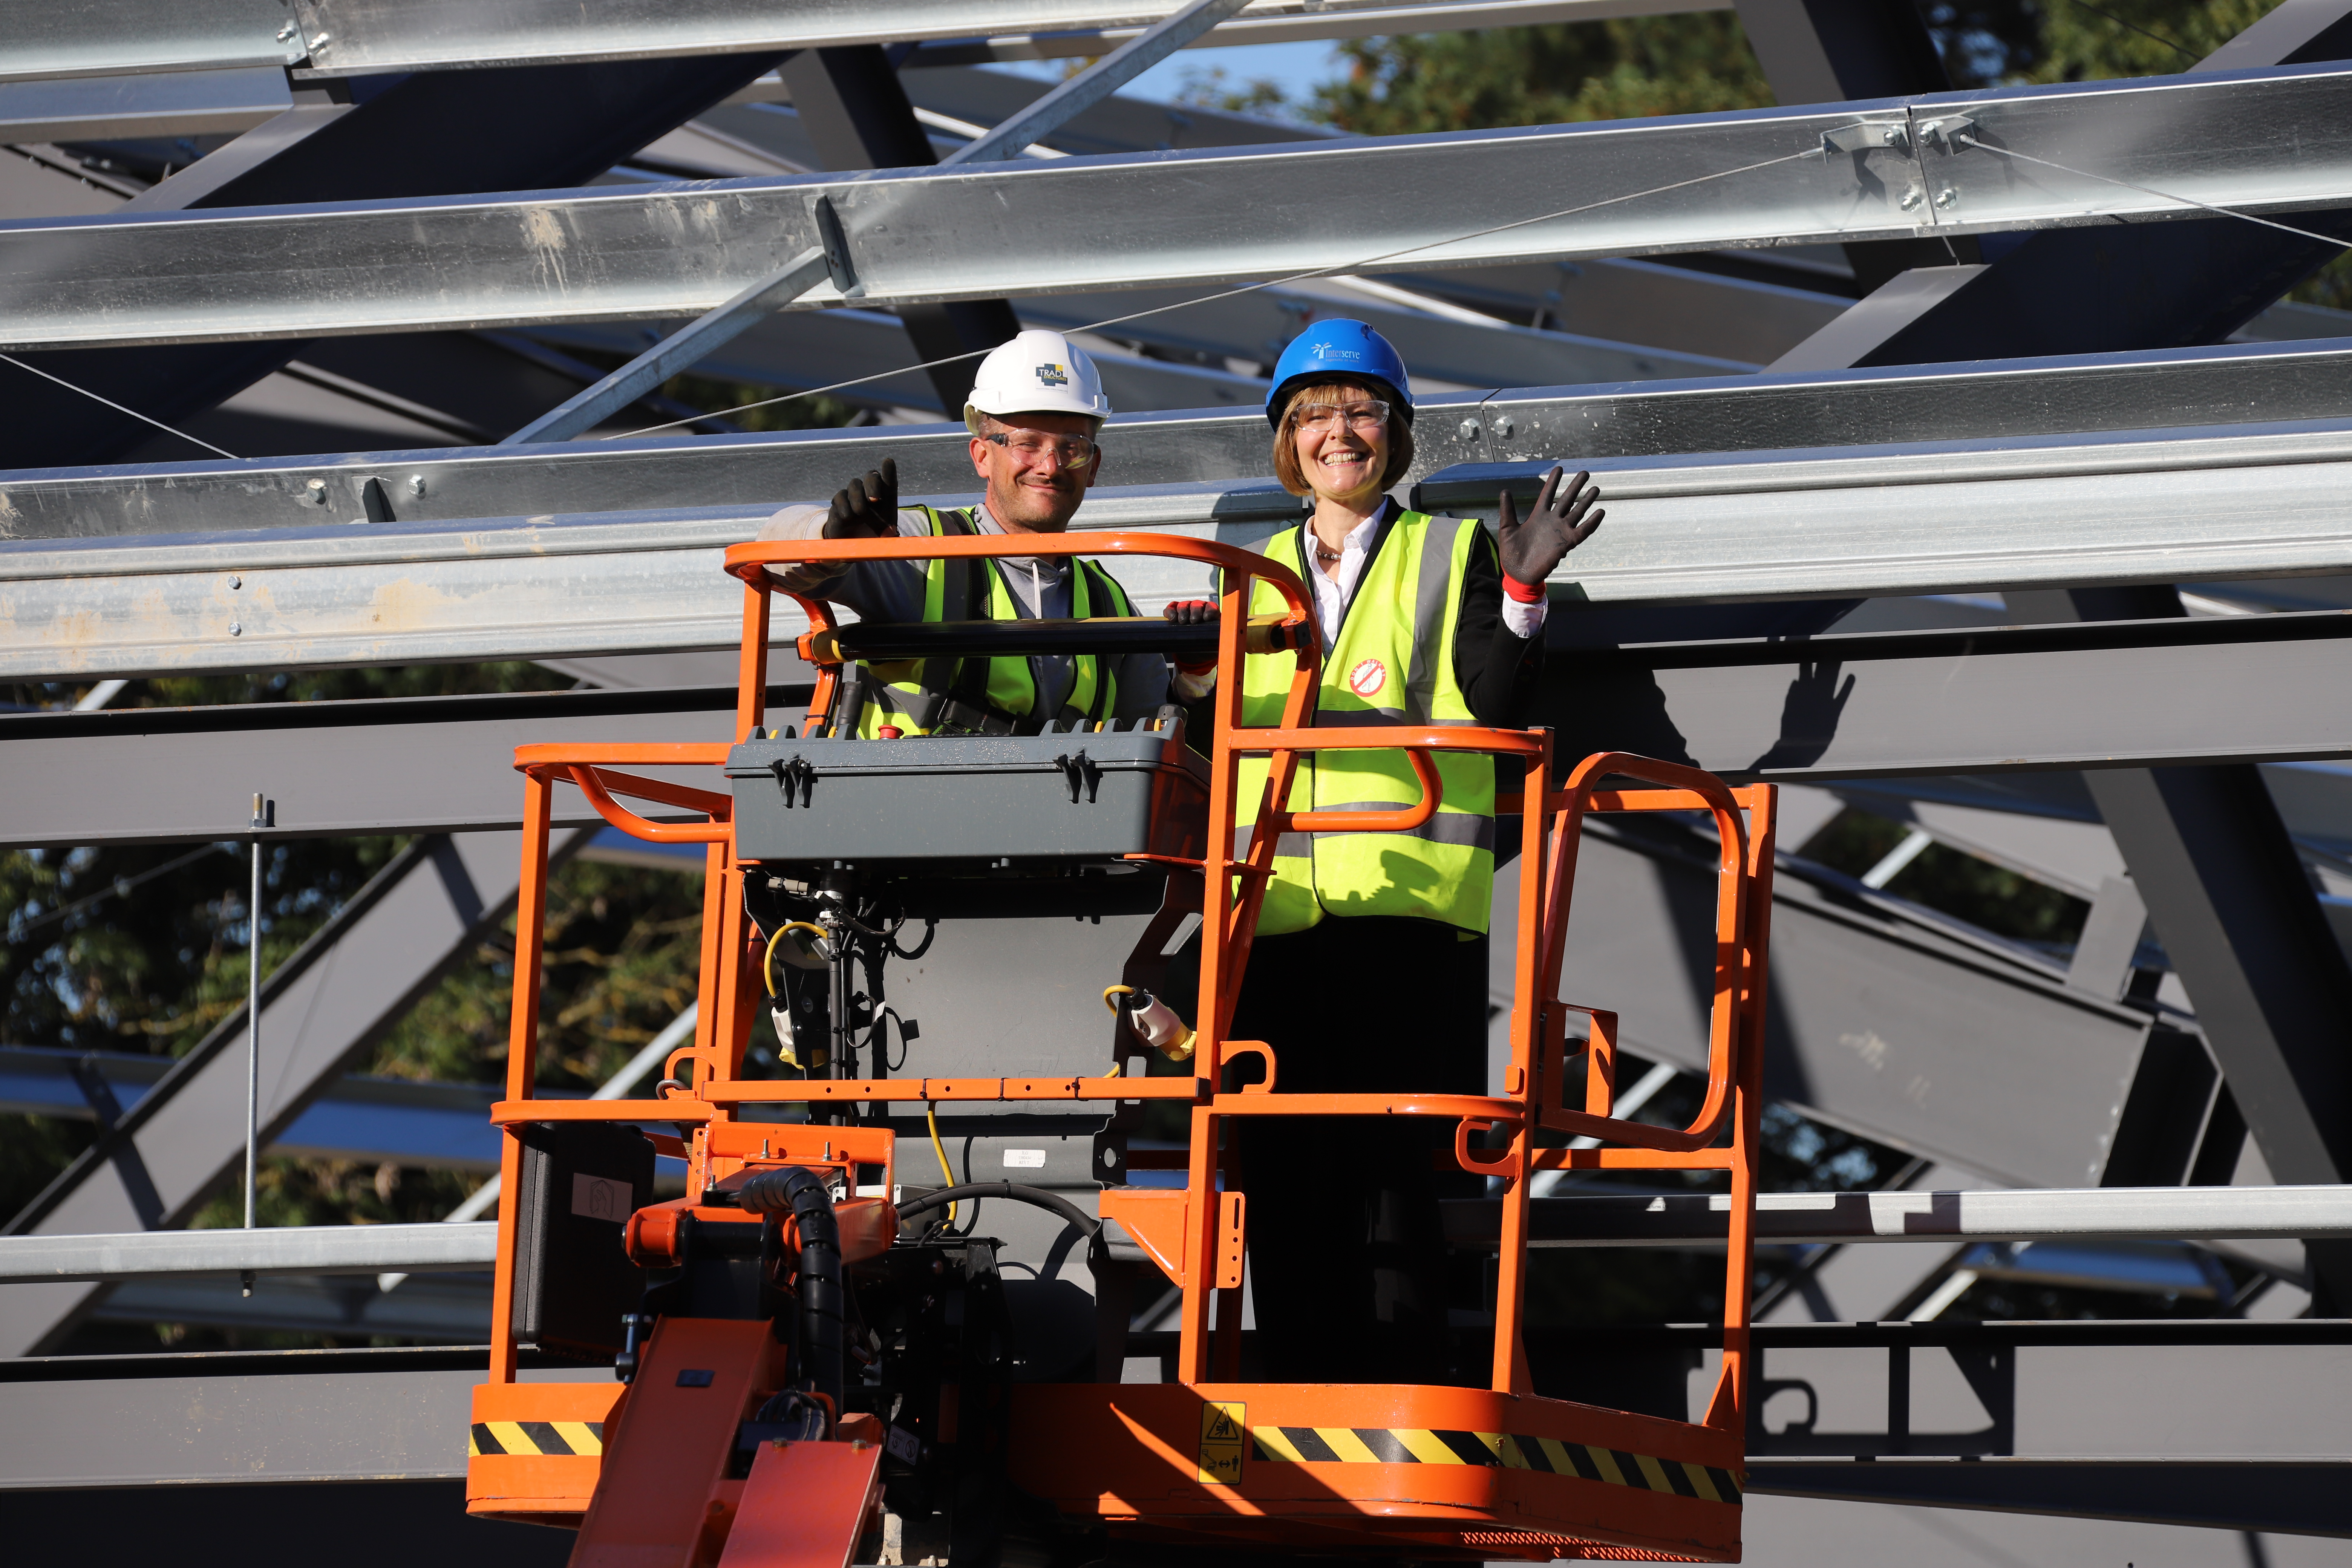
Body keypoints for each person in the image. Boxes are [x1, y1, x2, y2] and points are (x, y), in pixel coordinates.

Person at [1199, 320, 1603, 1384]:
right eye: (1316, 415)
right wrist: (1191, 679)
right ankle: (1295, 1421)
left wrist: (1523, 599)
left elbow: (1497, 705)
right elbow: (1204, 740)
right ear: (1288, 442)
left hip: (1407, 917)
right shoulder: (1245, 576)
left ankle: (1401, 1416)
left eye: (1363, 411)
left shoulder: (1451, 553)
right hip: (1273, 919)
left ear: (1398, 433)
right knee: (1283, 1181)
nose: (1341, 432)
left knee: (1393, 1188)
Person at [758, 329, 1211, 736]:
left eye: (1072, 447)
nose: (1050, 466)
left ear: (1092, 467)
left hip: (1058, 824)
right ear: (981, 455)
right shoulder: (926, 548)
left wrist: (1195, 676)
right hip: (904, 815)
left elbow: (1159, 742)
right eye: (1027, 443)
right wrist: (829, 542)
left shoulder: (1109, 603)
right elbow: (771, 548)